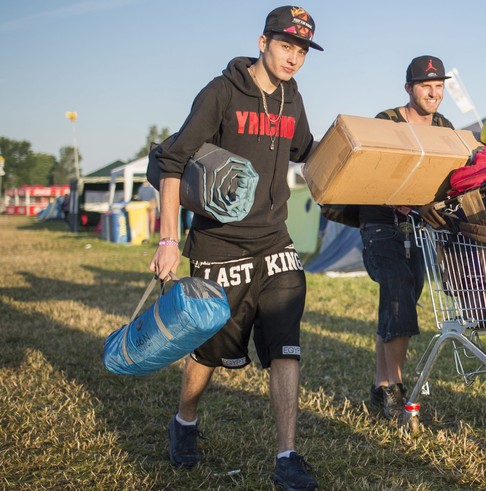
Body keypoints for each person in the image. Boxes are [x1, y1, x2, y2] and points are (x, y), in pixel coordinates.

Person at [149, 6, 323, 490]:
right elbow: (171, 163)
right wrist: (167, 240)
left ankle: (287, 456)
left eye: (303, 50)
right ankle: (184, 419)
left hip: (275, 242)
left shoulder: (292, 96)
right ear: (263, 41)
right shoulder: (221, 91)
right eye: (287, 46)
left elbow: (307, 149)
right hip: (219, 243)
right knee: (209, 351)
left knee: (286, 346)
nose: (294, 57)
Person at [360, 55, 454, 420]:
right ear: (408, 89)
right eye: (425, 86)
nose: (433, 93)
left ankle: (381, 384)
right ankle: (396, 390)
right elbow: (372, 171)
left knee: (401, 297)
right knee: (398, 290)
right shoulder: (387, 122)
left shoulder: (444, 125)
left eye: (439, 86)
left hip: (417, 227)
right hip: (381, 223)